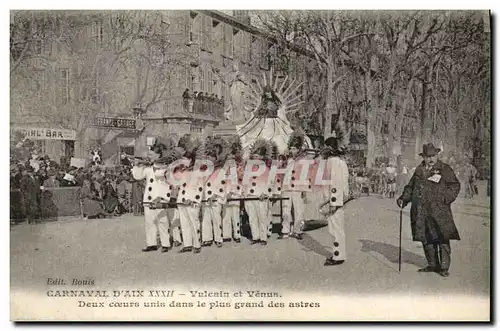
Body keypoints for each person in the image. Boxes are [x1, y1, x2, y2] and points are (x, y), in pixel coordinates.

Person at [397, 143, 461, 277]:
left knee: (442, 237)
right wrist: (404, 198)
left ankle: (444, 267)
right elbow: (411, 186)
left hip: (439, 210)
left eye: (433, 156)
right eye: (427, 156)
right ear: (424, 157)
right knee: (426, 237)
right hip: (422, 211)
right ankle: (432, 264)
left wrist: (446, 199)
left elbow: (454, 185)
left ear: (437, 155)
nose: (430, 159)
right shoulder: (419, 170)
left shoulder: (444, 169)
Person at [131, 137, 178, 253]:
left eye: (151, 154)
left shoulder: (165, 168)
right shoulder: (148, 168)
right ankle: (151, 243)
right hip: (148, 198)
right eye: (149, 154)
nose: (149, 156)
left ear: (158, 155)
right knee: (149, 222)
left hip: (160, 198)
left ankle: (165, 243)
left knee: (162, 221)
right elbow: (137, 176)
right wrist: (137, 165)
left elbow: (167, 184)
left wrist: (162, 197)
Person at [320, 137, 350, 266]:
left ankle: (338, 256)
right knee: (336, 228)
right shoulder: (338, 161)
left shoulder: (333, 162)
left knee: (335, 229)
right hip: (336, 200)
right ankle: (338, 254)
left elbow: (336, 183)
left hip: (334, 200)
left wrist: (334, 202)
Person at [176, 134, 204, 254]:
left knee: (194, 222)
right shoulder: (182, 171)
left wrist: (192, 199)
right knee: (184, 223)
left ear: (191, 160)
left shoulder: (197, 172)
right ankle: (187, 244)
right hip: (181, 200)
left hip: (192, 201)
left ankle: (196, 244)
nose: (183, 162)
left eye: (185, 160)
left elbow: (199, 188)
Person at [279, 132, 311, 240]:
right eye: (291, 148)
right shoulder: (288, 160)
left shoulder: (304, 160)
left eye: (294, 149)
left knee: (298, 210)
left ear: (298, 149)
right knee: (286, 209)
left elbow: (306, 176)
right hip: (287, 188)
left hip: (298, 188)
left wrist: (304, 191)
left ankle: (298, 231)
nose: (292, 151)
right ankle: (285, 230)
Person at [244, 139, 274, 245]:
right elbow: (245, 182)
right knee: (252, 217)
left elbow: (270, 184)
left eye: (258, 157)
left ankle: (263, 237)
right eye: (254, 156)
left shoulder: (266, 169)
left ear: (262, 157)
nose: (255, 159)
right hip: (250, 196)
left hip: (260, 196)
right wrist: (245, 193)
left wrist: (265, 193)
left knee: (262, 217)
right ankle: (255, 236)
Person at [201, 136, 226, 248]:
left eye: (212, 157)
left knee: (216, 218)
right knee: (206, 218)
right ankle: (207, 238)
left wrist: (215, 195)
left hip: (215, 198)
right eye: (208, 157)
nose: (210, 159)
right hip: (206, 197)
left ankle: (218, 238)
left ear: (216, 159)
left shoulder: (220, 171)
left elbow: (222, 186)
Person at [222, 135, 243, 243]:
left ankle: (237, 234)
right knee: (226, 214)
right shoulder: (226, 165)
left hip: (235, 192)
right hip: (226, 191)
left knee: (235, 214)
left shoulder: (239, 165)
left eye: (232, 154)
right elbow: (223, 177)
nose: (230, 156)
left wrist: (233, 191)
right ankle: (226, 234)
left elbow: (239, 179)